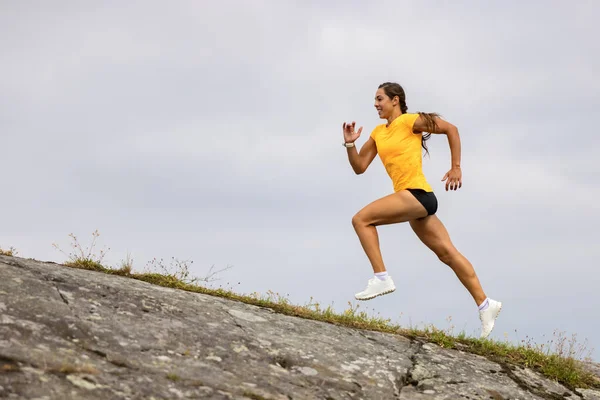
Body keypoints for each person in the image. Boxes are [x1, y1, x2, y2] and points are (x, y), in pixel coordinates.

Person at [342, 82, 501, 339]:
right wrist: (350, 145)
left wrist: (456, 167)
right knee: (447, 254)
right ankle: (486, 305)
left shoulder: (410, 121)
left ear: (395, 100)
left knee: (361, 220)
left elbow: (452, 129)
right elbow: (360, 166)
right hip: (415, 203)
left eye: (380, 98)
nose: (375, 104)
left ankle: (381, 277)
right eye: (374, 100)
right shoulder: (378, 133)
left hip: (417, 195)